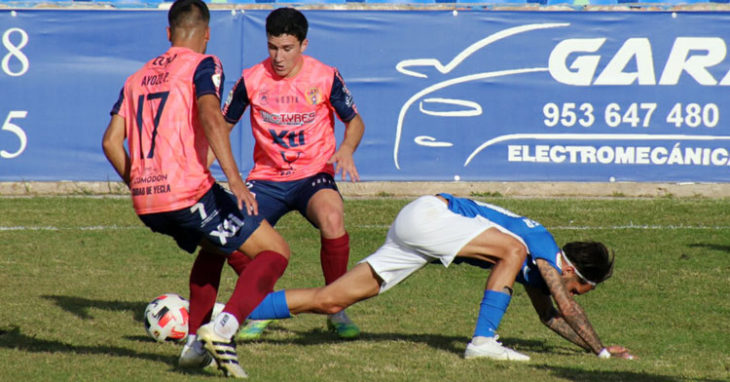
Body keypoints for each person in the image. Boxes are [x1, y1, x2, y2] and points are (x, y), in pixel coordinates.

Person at [101, 0, 290, 378]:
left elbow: (109, 142)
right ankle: (224, 327)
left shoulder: (136, 77)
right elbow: (209, 114)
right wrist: (235, 179)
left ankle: (192, 346)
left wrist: (137, 184)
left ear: (168, 33)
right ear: (206, 34)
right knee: (276, 252)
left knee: (214, 250)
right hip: (188, 193)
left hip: (147, 201)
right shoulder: (205, 64)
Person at [245, 193, 637, 361]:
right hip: (431, 216)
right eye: (584, 287)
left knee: (330, 300)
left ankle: (224, 314)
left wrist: (592, 350)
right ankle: (483, 342)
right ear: (573, 271)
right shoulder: (543, 249)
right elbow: (565, 305)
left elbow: (550, 316)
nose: (578, 295)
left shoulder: (539, 268)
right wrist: (602, 351)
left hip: (418, 228)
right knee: (512, 250)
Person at [221, 7, 366, 340]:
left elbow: (354, 121)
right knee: (230, 233)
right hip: (267, 179)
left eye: (287, 48)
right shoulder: (252, 79)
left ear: (304, 44)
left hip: (312, 175)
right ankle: (261, 304)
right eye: (272, 47)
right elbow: (221, 126)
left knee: (332, 216)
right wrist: (215, 168)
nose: (278, 56)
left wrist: (345, 150)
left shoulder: (325, 76)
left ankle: (336, 305)